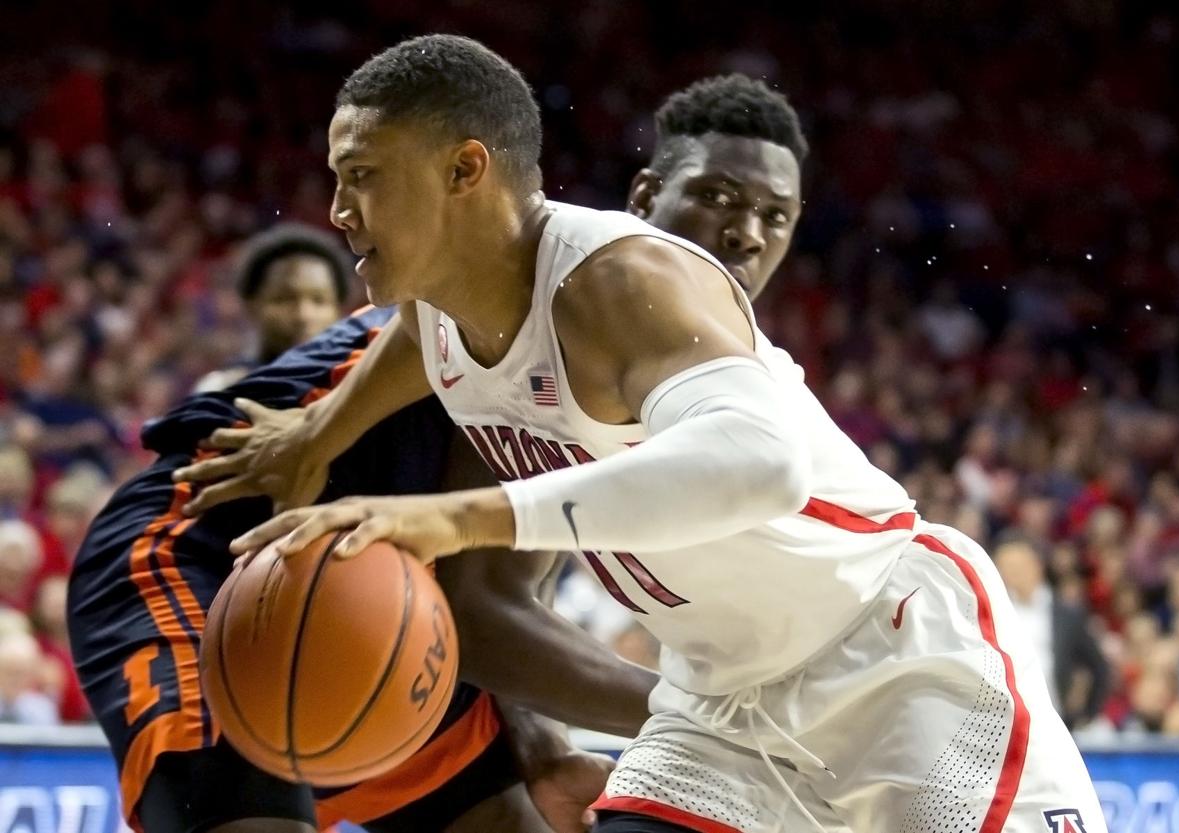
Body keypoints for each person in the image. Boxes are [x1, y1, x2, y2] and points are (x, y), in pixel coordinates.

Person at [182, 35, 1108, 833]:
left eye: (363, 178)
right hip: (720, 700)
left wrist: (454, 516)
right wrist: (314, 432)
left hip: (890, 650)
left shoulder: (621, 282)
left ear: (466, 170)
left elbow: (764, 463)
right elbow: (415, 344)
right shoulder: (439, 307)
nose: (340, 210)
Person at [70, 69, 810, 833]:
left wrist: (541, 739)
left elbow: (499, 585)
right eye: (717, 196)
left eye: (774, 216)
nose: (744, 231)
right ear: (646, 196)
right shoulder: (553, 300)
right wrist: (715, 723)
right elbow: (482, 604)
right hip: (211, 545)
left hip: (373, 588)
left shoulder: (694, 371)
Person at [193, 224, 350, 392]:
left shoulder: (356, 386)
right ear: (251, 306)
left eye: (319, 301)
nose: (303, 315)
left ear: (339, 310)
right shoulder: (222, 391)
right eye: (284, 300)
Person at [994, 539, 1110, 729]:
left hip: (1056, 722)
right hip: (1007, 722)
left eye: (1017, 566)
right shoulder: (995, 613)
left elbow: (1099, 667)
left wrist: (1086, 714)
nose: (1012, 573)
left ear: (1036, 565)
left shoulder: (1067, 614)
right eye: (1005, 567)